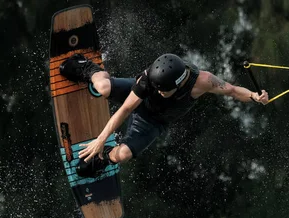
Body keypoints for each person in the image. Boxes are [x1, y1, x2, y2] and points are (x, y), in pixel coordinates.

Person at [59, 53, 269, 177]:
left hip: (153, 121)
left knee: (123, 155)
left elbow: (232, 90)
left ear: (178, 85)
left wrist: (253, 96)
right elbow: (126, 109)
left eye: (163, 90)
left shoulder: (202, 81)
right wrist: (100, 137)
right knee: (103, 88)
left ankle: (103, 157)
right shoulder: (148, 79)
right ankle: (86, 67)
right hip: (138, 99)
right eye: (157, 87)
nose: (159, 92)